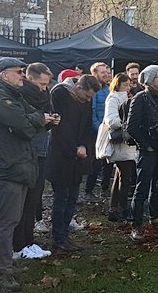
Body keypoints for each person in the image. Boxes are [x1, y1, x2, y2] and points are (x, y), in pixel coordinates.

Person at [0, 57, 57, 290]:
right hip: (8, 168)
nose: (23, 76)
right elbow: (23, 126)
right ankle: (4, 273)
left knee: (11, 219)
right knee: (7, 223)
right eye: (18, 72)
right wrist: (39, 120)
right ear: (5, 74)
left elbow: (32, 118)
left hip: (18, 166)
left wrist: (45, 121)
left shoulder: (13, 95)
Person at [48, 74, 100, 253]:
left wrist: (84, 145)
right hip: (62, 155)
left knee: (72, 199)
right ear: (79, 88)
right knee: (61, 199)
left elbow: (86, 125)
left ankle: (65, 235)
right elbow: (61, 127)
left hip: (79, 156)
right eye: (86, 96)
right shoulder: (60, 94)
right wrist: (74, 148)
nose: (88, 100)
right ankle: (58, 238)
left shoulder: (85, 101)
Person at [16, 63, 56, 259]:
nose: (44, 88)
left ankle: (28, 242)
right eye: (41, 84)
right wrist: (42, 118)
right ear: (30, 79)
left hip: (41, 150)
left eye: (46, 85)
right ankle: (19, 245)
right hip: (28, 152)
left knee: (34, 200)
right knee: (24, 202)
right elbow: (24, 125)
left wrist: (49, 121)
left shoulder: (44, 96)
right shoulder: (21, 96)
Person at [127, 65, 158, 242]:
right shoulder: (140, 98)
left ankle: (155, 218)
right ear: (150, 80)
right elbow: (131, 126)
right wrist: (145, 145)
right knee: (142, 188)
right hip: (148, 150)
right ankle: (136, 224)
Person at [98, 73, 138, 222]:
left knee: (120, 176)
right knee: (124, 177)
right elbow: (111, 120)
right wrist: (128, 123)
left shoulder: (126, 98)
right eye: (124, 84)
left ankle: (114, 208)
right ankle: (122, 209)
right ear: (118, 84)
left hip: (126, 143)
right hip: (121, 142)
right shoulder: (114, 98)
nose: (127, 87)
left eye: (129, 84)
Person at [84, 62, 114, 200]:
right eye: (103, 72)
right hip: (96, 132)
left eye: (107, 72)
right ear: (94, 74)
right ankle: (88, 190)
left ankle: (105, 187)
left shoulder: (108, 90)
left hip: (107, 130)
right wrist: (100, 130)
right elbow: (92, 112)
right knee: (95, 163)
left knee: (108, 161)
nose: (106, 75)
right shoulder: (93, 91)